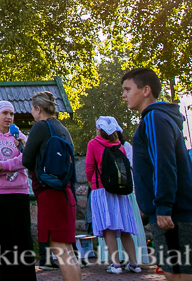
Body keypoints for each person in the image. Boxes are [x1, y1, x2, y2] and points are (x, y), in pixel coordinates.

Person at [121, 67, 192, 281]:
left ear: (146, 90)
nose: (124, 95)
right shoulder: (158, 118)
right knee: (174, 273)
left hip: (174, 211)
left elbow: (163, 163)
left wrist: (163, 206)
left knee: (180, 275)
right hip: (173, 209)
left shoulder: (154, 118)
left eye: (128, 89)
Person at [21, 91, 81, 281]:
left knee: (59, 248)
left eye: (32, 109)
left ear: (38, 109)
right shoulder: (62, 128)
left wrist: (23, 147)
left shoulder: (40, 126)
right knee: (67, 248)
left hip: (49, 192)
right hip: (65, 190)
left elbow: (27, 160)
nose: (32, 113)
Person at [0, 100, 35, 281]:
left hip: (20, 192)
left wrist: (3, 165)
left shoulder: (20, 137)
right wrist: (15, 163)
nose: (9, 117)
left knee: (23, 240)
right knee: (3, 241)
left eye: (11, 113)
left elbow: (26, 159)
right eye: (5, 113)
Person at [85, 116, 141, 274]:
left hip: (102, 190)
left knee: (108, 227)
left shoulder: (93, 144)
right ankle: (134, 263)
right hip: (120, 191)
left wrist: (91, 183)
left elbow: (89, 167)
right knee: (124, 228)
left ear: (99, 129)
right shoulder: (119, 146)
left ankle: (116, 264)